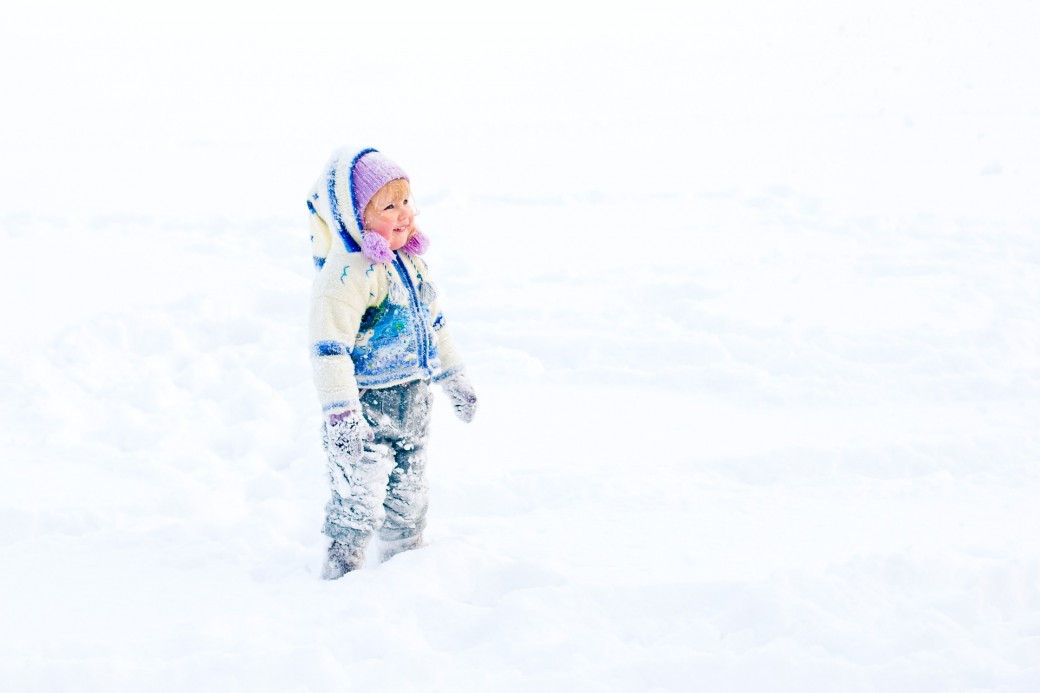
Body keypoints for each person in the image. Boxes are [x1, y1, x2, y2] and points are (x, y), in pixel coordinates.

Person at [305, 146, 477, 579]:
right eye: (388, 205)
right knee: (357, 501)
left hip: (414, 404)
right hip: (366, 411)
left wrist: (454, 377)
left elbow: (435, 324)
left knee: (410, 499)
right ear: (355, 217)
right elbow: (330, 349)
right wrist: (341, 413)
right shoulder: (346, 276)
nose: (403, 213)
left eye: (406, 201)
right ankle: (340, 574)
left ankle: (403, 574)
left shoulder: (411, 264)